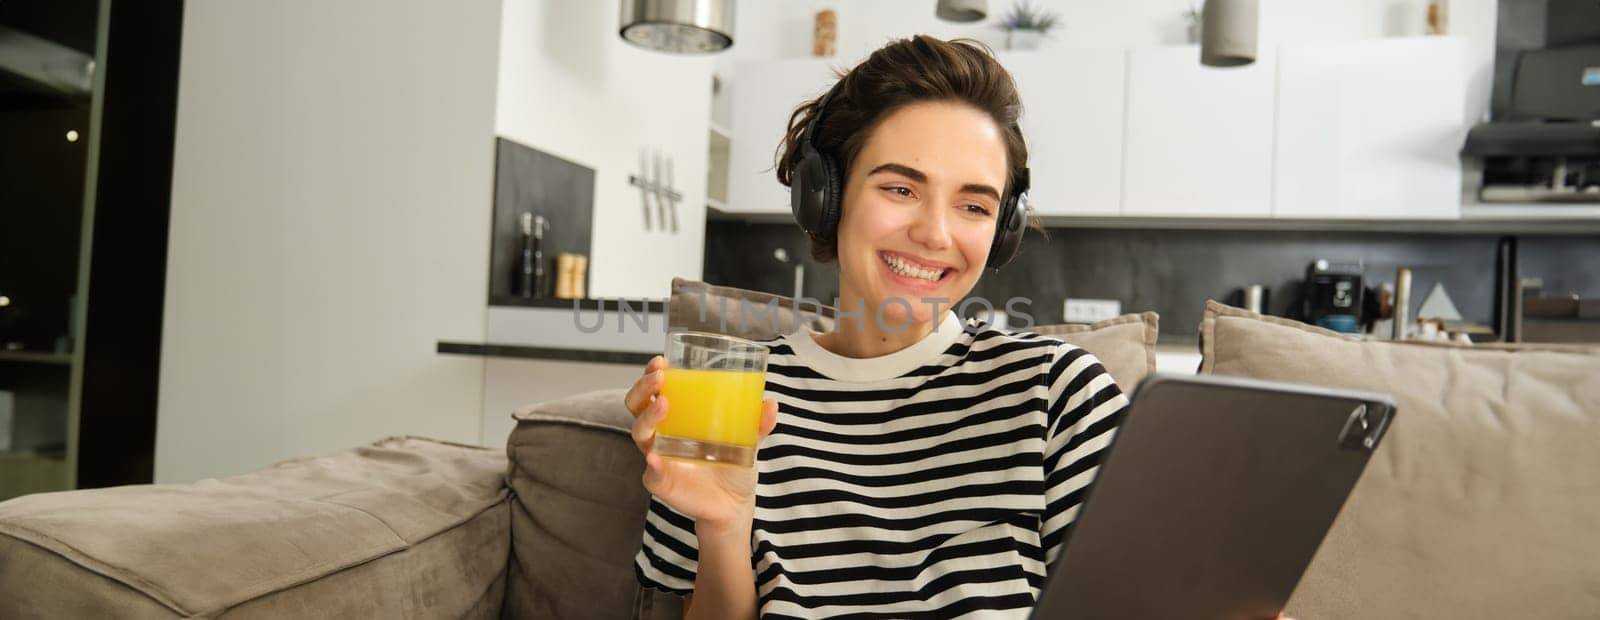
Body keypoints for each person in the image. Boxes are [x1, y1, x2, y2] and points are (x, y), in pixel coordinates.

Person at [622, 35, 1288, 619]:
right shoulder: (726, 391)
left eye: (974, 204)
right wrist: (725, 524)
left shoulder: (1056, 393)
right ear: (825, 193)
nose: (935, 234)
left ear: (1001, 232)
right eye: (901, 188)